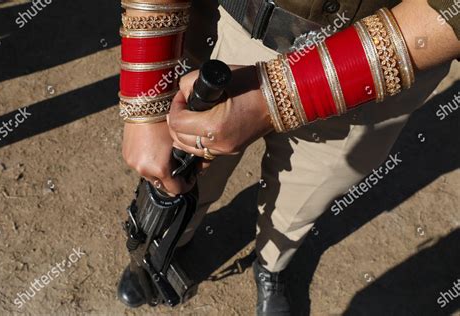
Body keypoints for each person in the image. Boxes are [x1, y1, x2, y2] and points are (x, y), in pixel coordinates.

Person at [118, 0, 460, 314]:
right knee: (184, 175)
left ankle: (271, 264)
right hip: (244, 28)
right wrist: (144, 95)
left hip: (381, 76)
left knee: (307, 192)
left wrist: (276, 97)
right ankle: (165, 242)